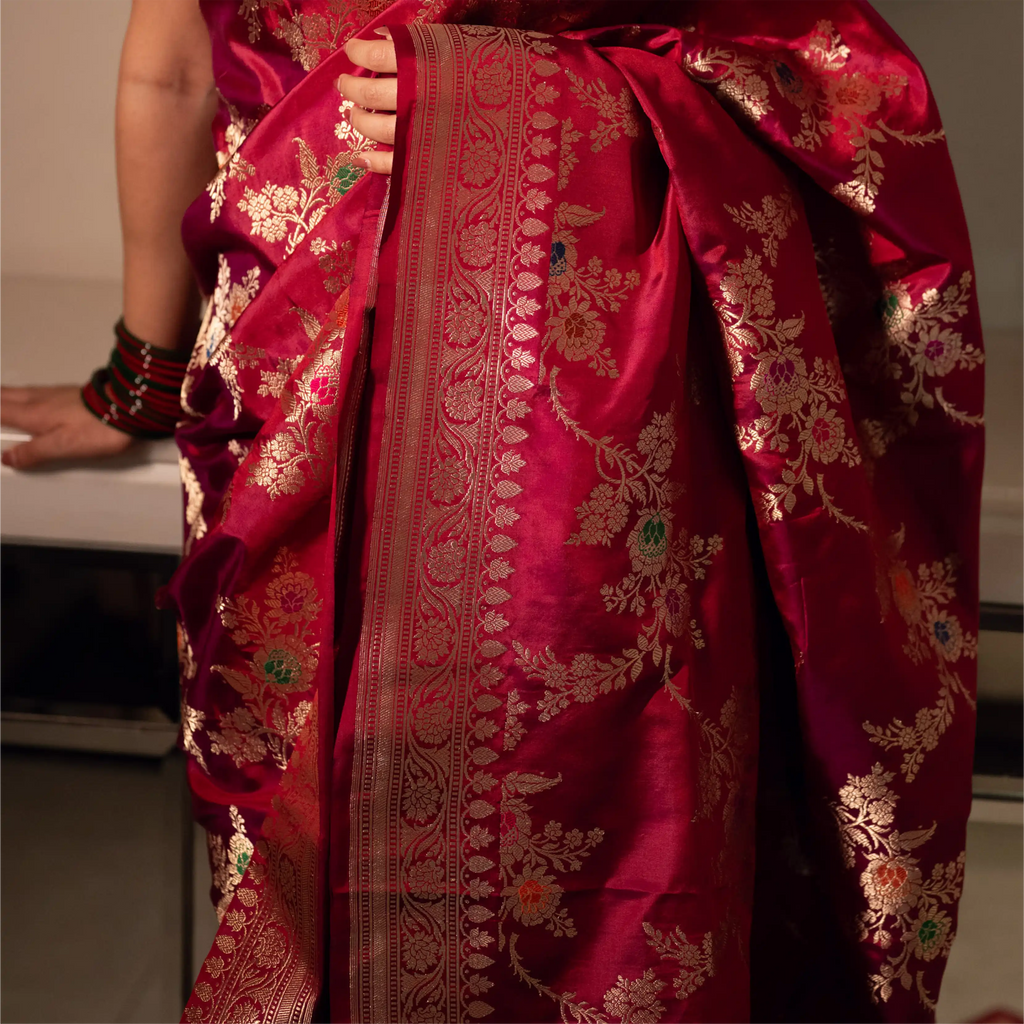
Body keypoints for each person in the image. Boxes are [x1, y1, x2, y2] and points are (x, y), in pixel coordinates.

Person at [0, 1, 985, 1021]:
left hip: (602, 420)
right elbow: (175, 65)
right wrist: (145, 373)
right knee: (305, 859)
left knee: (605, 837)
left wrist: (514, 109)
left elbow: (832, 80)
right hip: (299, 407)